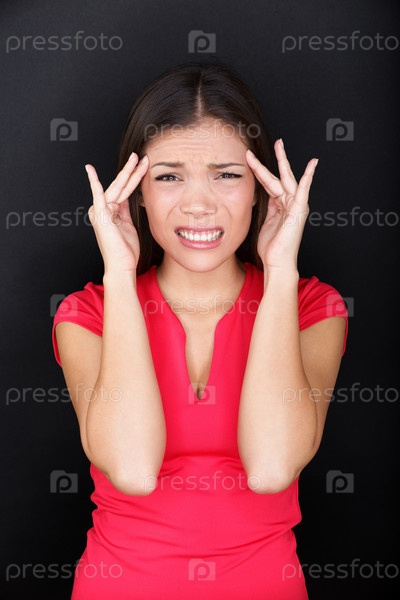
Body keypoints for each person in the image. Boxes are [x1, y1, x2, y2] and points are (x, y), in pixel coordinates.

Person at [52, 62, 348, 600]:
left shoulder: (311, 307)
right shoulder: (88, 314)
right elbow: (134, 471)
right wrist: (119, 272)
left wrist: (281, 269)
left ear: (259, 188)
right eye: (169, 176)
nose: (198, 204)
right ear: (138, 193)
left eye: (226, 175)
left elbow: (272, 469)